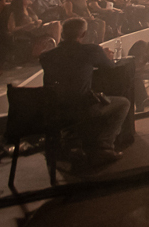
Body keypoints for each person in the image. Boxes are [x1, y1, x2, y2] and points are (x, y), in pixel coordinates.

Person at [38, 17, 131, 167]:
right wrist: (106, 56)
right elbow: (110, 66)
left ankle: (71, 140)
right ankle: (104, 146)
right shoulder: (91, 50)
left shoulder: (46, 56)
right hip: (82, 108)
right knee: (123, 103)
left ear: (62, 34)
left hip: (55, 110)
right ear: (83, 34)